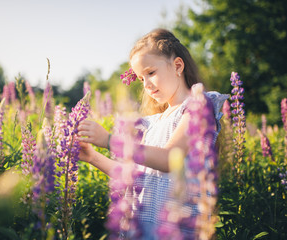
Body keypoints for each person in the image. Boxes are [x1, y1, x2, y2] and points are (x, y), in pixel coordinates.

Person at [77, 28, 228, 239]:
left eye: (151, 72)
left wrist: (109, 140)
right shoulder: (152, 123)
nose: (146, 85)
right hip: (141, 228)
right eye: (140, 78)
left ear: (177, 66)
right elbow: (134, 177)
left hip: (178, 228)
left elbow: (169, 158)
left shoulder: (199, 107)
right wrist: (92, 156)